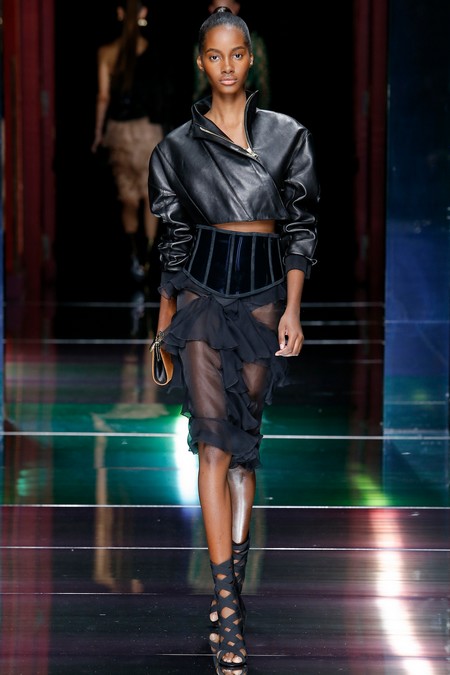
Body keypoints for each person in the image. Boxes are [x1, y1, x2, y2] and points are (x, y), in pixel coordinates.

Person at [148, 7, 320, 671]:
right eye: (215, 55)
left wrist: (293, 311)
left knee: (244, 451)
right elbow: (174, 241)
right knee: (214, 445)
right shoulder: (176, 149)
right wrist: (162, 327)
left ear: (251, 60)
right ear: (201, 62)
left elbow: (300, 228)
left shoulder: (287, 136)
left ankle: (233, 593)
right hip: (199, 298)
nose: (226, 66)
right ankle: (224, 607)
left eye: (236, 55)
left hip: (263, 301)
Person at [91, 0, 172, 284]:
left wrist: (98, 134)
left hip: (119, 132)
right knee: (150, 197)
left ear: (119, 12)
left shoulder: (107, 52)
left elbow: (103, 97)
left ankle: (135, 255)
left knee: (127, 197)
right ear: (143, 13)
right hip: (148, 132)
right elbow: (162, 96)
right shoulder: (154, 52)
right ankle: (148, 256)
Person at [192, 0, 271, 108]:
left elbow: (263, 86)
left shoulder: (254, 42)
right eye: (214, 57)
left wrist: (261, 114)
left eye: (237, 56)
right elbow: (199, 89)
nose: (227, 67)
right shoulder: (201, 46)